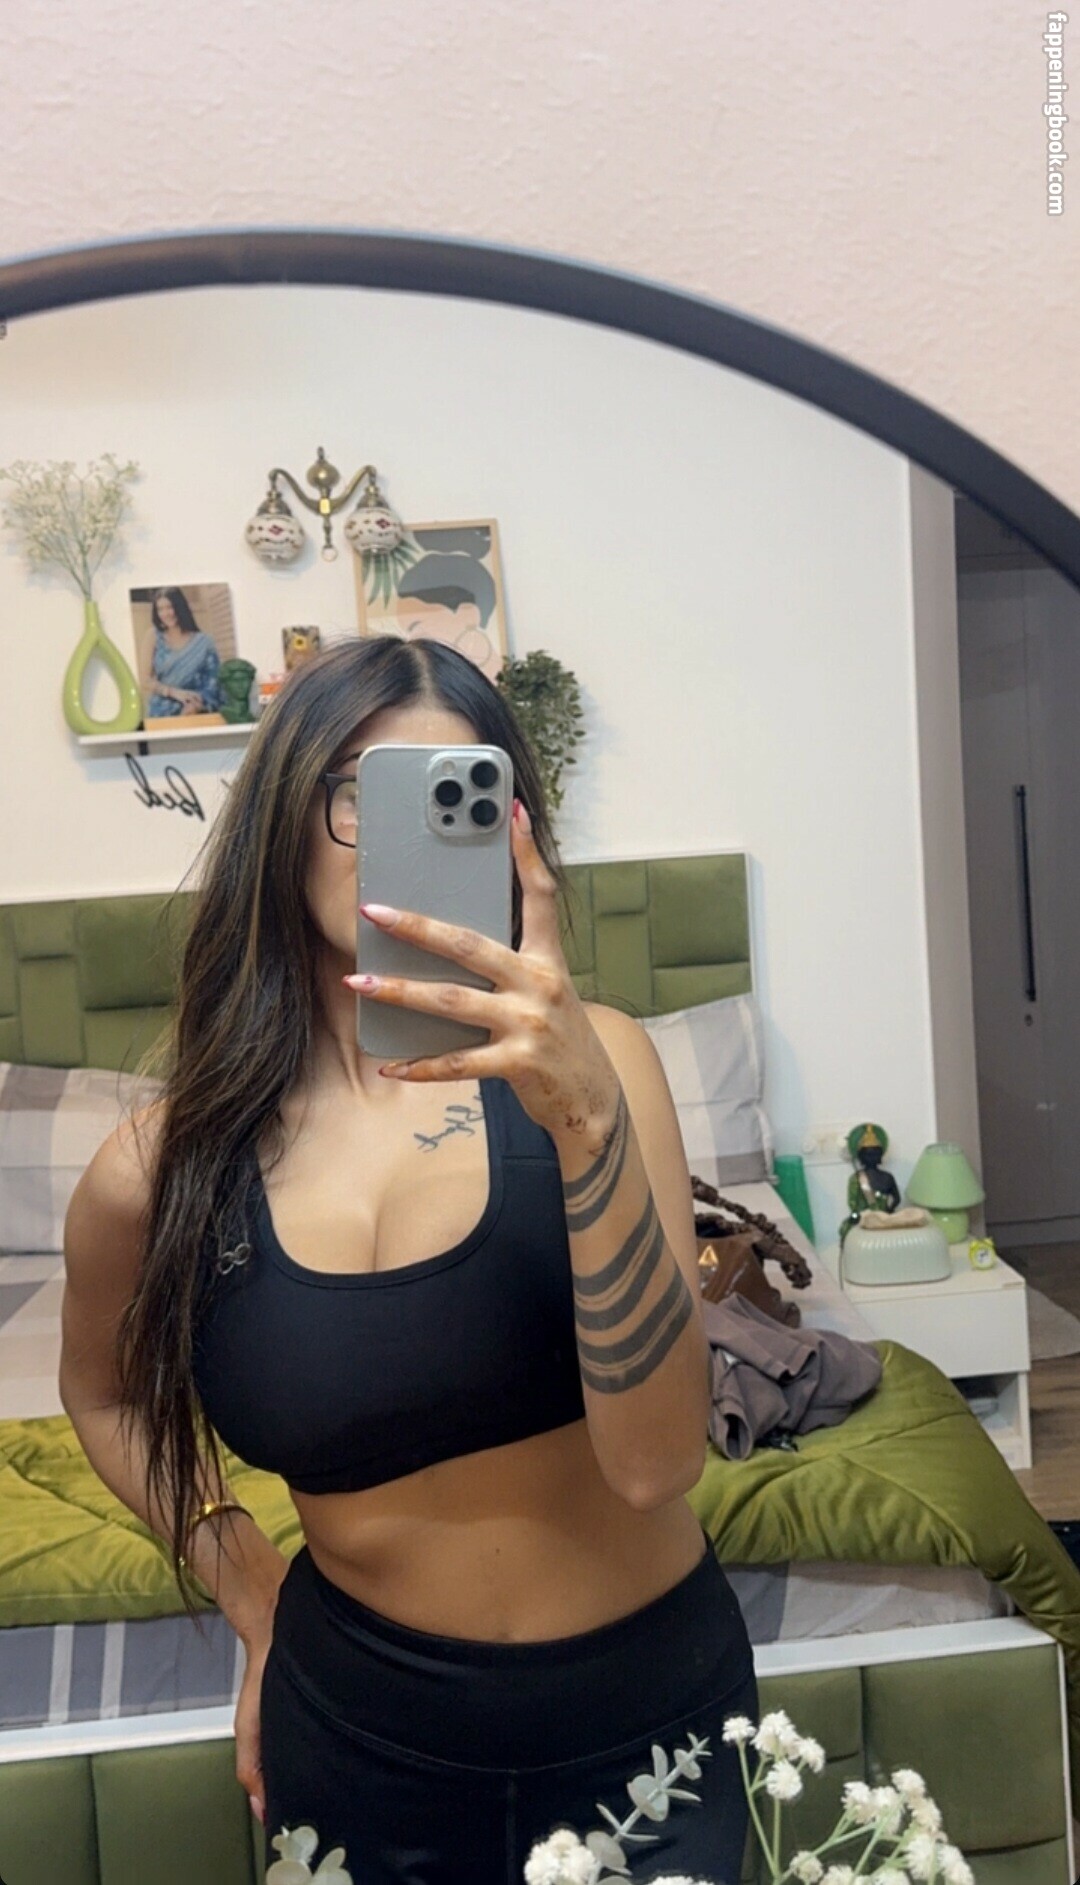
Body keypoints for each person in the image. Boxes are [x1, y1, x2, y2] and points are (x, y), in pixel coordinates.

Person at [59, 637, 757, 1885]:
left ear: (511, 833)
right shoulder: (162, 1166)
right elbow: (103, 1391)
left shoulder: (602, 1064)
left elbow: (657, 1464)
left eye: (455, 798)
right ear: (284, 822)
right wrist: (249, 1586)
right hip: (355, 1737)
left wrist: (586, 1122)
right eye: (359, 794)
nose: (397, 840)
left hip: (649, 1727)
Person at [145, 586, 222, 717]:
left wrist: (196, 705)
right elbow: (145, 680)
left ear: (180, 607)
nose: (166, 614)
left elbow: (213, 683)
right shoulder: (153, 636)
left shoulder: (204, 642)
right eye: (160, 609)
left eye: (170, 607)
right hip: (161, 711)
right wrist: (174, 693)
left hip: (195, 707)